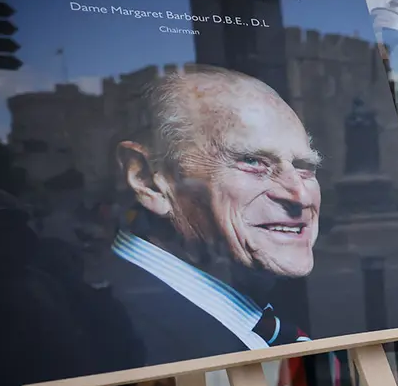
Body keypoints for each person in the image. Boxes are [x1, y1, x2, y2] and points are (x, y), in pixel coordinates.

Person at [109, 65, 323, 365]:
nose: (300, 195)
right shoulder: (109, 335)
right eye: (252, 161)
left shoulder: (243, 307)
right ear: (147, 179)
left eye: (304, 166)